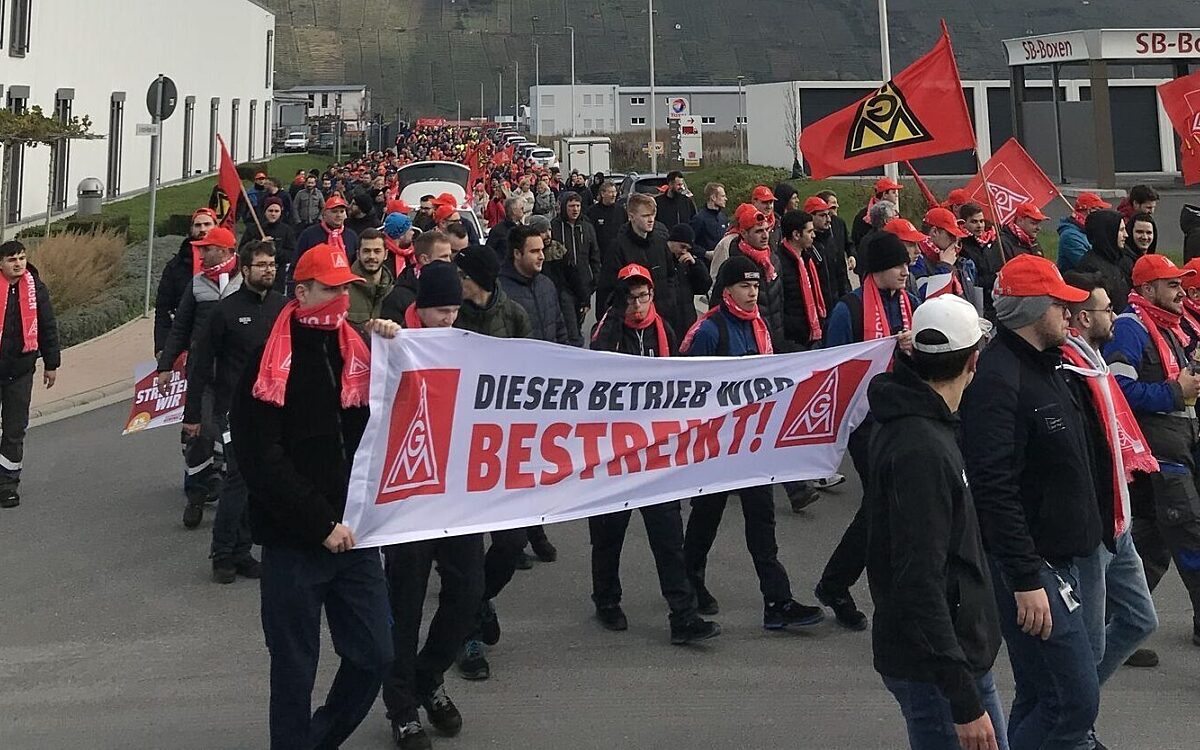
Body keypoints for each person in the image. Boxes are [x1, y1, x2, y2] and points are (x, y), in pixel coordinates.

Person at [231, 242, 400, 750]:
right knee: (293, 670)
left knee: (376, 653)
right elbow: (262, 460)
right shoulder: (268, 359)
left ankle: (318, 739)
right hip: (294, 543)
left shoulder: (357, 349)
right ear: (301, 291)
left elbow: (399, 417)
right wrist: (320, 525)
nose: (341, 300)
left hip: (356, 537)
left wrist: (396, 347)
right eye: (330, 289)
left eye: (346, 289)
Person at [960, 254, 1102, 750]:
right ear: (1033, 308)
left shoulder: (1045, 365)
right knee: (1075, 701)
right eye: (1060, 304)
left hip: (1061, 558)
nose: (1071, 314)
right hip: (1033, 566)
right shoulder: (1000, 381)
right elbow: (993, 488)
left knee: (1043, 694)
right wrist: (1024, 578)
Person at [864, 294, 1006, 750]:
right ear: (973, 363)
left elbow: (877, 519)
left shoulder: (918, 423)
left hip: (947, 661)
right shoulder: (921, 447)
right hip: (938, 669)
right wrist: (962, 699)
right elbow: (918, 577)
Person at [679, 256, 825, 629]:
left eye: (756, 286)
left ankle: (777, 602)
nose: (752, 293)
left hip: (754, 444)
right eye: (745, 286)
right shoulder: (709, 331)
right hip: (717, 447)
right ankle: (689, 580)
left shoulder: (760, 326)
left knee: (762, 521)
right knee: (706, 517)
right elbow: (689, 390)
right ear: (727, 291)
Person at [586, 263, 722, 644]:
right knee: (609, 534)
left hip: (656, 453)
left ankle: (683, 615)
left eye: (643, 296)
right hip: (614, 453)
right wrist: (614, 316)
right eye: (630, 297)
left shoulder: (666, 331)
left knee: (668, 536)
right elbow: (596, 362)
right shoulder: (608, 332)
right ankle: (607, 600)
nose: (638, 305)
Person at [381, 263, 482, 750]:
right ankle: (401, 708)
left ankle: (429, 675)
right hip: (408, 498)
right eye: (442, 311)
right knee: (404, 605)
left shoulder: (464, 343)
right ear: (421, 307)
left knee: (467, 594)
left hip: (456, 496)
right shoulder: (395, 341)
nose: (449, 319)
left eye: (455, 311)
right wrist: (378, 336)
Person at [1058, 271, 1160, 682]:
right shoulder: (1068, 369)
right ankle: (1071, 723)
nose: (1114, 315)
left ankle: (1076, 706)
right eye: (1106, 309)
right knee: (1090, 640)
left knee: (1140, 619)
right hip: (1094, 522)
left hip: (1119, 517)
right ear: (1084, 318)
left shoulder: (1092, 362)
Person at [816, 233, 919, 631]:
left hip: (901, 414)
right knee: (884, 503)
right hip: (864, 421)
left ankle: (836, 583)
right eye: (899, 265)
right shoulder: (849, 309)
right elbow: (836, 366)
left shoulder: (908, 303)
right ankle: (855, 590)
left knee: (883, 507)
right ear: (876, 269)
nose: (906, 271)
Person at [1104, 254, 1200, 651]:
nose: (1182, 292)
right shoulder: (1131, 327)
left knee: (1152, 544)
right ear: (1147, 290)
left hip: (1173, 448)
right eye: (1172, 285)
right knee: (1193, 536)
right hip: (1160, 454)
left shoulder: (1166, 327)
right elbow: (1118, 390)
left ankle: (1112, 627)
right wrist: (1176, 391)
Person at [452, 244, 536, 684]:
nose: (456, 279)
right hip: (460, 448)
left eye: (462, 273)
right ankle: (466, 637)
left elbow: (533, 372)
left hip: (502, 449)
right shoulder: (452, 315)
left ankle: (481, 598)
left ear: (478, 278)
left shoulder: (515, 316)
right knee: (464, 554)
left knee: (509, 544)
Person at [183, 240, 285, 583]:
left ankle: (243, 551)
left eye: (272, 264)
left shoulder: (283, 309)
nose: (268, 269)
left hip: (272, 410)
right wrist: (193, 415)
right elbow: (200, 366)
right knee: (238, 481)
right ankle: (222, 553)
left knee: (259, 484)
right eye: (261, 264)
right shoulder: (224, 312)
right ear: (245, 270)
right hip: (232, 411)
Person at [157, 226, 243, 529]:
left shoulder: (244, 283)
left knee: (236, 441)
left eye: (207, 249)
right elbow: (180, 327)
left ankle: (234, 500)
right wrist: (165, 365)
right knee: (201, 434)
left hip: (236, 376)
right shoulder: (197, 284)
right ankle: (196, 495)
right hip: (203, 374)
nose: (202, 253)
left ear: (224, 250)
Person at [0, 241, 59, 508]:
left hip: (20, 370)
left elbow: (47, 325)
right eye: (12, 259)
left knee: (14, 430)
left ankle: (8, 484)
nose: (18, 264)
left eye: (22, 258)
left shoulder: (36, 288)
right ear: (1, 263)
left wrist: (51, 363)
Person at [600, 194, 672, 323]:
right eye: (645, 216)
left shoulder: (660, 243)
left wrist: (669, 302)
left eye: (652, 215)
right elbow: (608, 286)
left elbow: (671, 276)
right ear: (631, 217)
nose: (651, 220)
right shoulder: (617, 247)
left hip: (661, 316)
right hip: (631, 318)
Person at [155, 207, 217, 356]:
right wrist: (161, 348)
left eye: (207, 224)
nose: (202, 229)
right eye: (198, 225)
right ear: (191, 229)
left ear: (216, 226)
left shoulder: (233, 265)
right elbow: (163, 309)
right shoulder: (175, 267)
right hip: (185, 340)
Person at [550, 191, 602, 337]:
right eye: (571, 206)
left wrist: (595, 279)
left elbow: (595, 255)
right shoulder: (554, 226)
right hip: (563, 284)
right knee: (567, 325)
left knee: (578, 322)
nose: (575, 209)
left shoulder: (587, 227)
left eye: (578, 206)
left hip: (584, 283)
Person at [777, 209, 827, 350]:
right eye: (809, 232)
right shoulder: (779, 264)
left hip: (813, 333)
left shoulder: (808, 258)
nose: (814, 235)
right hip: (794, 339)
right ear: (796, 235)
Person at [380, 231, 454, 323]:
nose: (449, 261)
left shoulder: (454, 290)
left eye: (449, 256)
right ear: (424, 259)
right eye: (444, 256)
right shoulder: (397, 299)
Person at [912, 207, 977, 306]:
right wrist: (944, 266)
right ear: (934, 232)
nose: (955, 242)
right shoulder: (916, 260)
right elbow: (927, 298)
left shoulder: (959, 261)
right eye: (951, 235)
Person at [658, 223, 712, 338]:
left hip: (686, 322)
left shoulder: (687, 264)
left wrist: (696, 266)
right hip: (667, 322)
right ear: (671, 242)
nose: (684, 251)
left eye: (687, 249)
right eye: (682, 247)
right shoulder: (660, 261)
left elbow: (703, 287)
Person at [957, 202, 1003, 321]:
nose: (979, 225)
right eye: (974, 222)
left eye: (981, 221)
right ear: (964, 223)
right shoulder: (962, 247)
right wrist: (994, 277)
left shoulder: (991, 243)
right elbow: (970, 280)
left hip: (994, 302)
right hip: (977, 304)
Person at [242, 196, 295, 294]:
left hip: (277, 278)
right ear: (265, 211)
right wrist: (259, 245)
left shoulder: (287, 230)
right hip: (255, 278)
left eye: (276, 211)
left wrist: (275, 249)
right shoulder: (253, 229)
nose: (273, 214)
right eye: (270, 211)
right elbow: (243, 250)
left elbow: (291, 254)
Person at [296, 195, 361, 266]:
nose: (338, 215)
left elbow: (356, 264)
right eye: (334, 211)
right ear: (324, 214)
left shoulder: (351, 236)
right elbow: (297, 262)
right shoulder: (309, 234)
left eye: (342, 211)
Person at [347, 228, 395, 324]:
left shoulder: (394, 292)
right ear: (358, 255)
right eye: (366, 251)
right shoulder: (343, 291)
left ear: (385, 255)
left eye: (377, 251)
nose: (372, 256)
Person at [1057, 193, 1112, 272]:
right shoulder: (1070, 236)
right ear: (1090, 211)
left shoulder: (1087, 230)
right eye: (1099, 210)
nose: (1102, 215)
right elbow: (1089, 266)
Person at [586, 180, 624, 276]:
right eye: (610, 192)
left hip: (618, 256)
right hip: (600, 257)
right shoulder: (592, 212)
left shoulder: (621, 210)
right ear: (602, 193)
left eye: (615, 192)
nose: (613, 195)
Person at [852, 177, 902, 249]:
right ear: (885, 194)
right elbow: (857, 241)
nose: (896, 195)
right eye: (893, 192)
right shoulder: (862, 217)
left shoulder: (896, 214)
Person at [690, 182, 729, 260]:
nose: (726, 199)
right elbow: (689, 243)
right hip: (706, 265)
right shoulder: (699, 219)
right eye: (723, 196)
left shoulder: (723, 218)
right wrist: (705, 253)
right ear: (713, 197)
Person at [485, 196, 525, 264]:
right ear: (514, 211)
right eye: (521, 208)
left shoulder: (523, 229)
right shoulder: (498, 230)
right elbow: (488, 252)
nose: (524, 211)